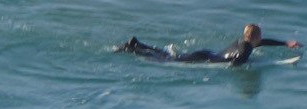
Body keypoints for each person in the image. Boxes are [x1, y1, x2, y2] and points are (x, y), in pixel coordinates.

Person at [113, 22, 296, 64]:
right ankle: (133, 49)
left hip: (207, 54)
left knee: (169, 55)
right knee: (167, 60)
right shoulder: (247, 48)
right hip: (205, 59)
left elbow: (263, 42)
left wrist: (285, 43)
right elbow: (238, 61)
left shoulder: (245, 41)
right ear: (254, 36)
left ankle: (137, 44)